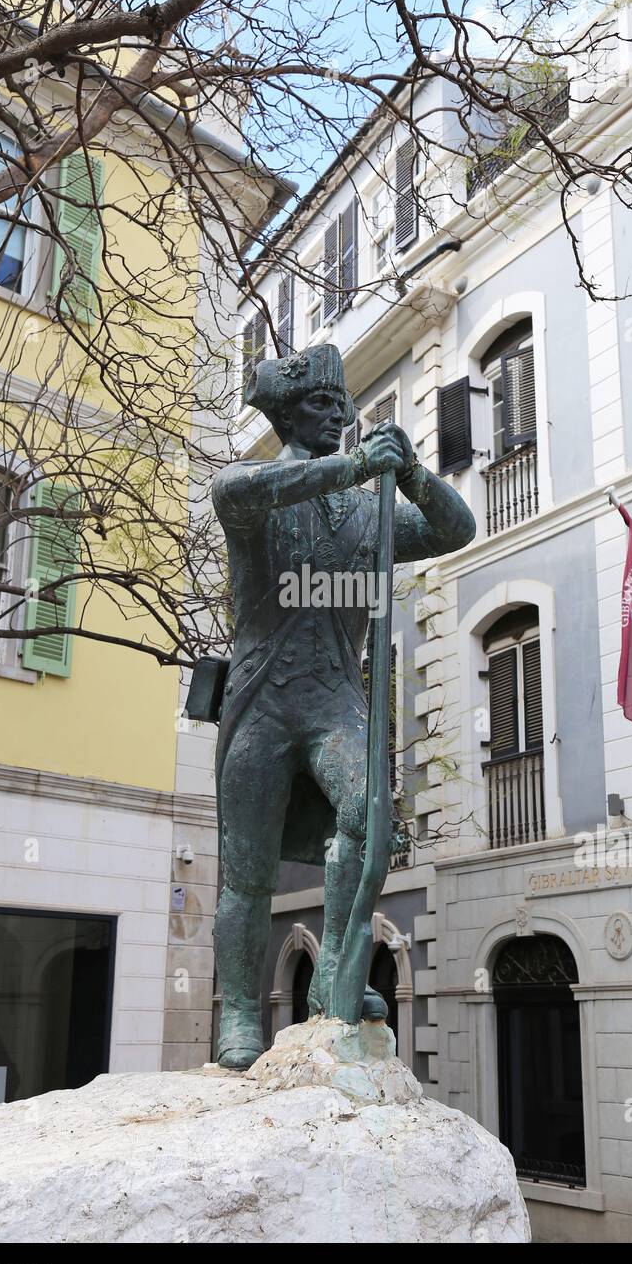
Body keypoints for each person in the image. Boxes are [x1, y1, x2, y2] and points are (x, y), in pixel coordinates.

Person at [212, 344, 475, 1068]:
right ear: (291, 414)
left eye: (343, 407)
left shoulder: (368, 516)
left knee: (371, 816)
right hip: (262, 698)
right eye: (324, 407)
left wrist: (415, 477)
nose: (341, 417)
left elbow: (457, 530)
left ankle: (335, 972)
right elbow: (237, 494)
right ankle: (239, 1013)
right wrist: (359, 468)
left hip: (334, 701)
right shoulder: (254, 489)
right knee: (248, 871)